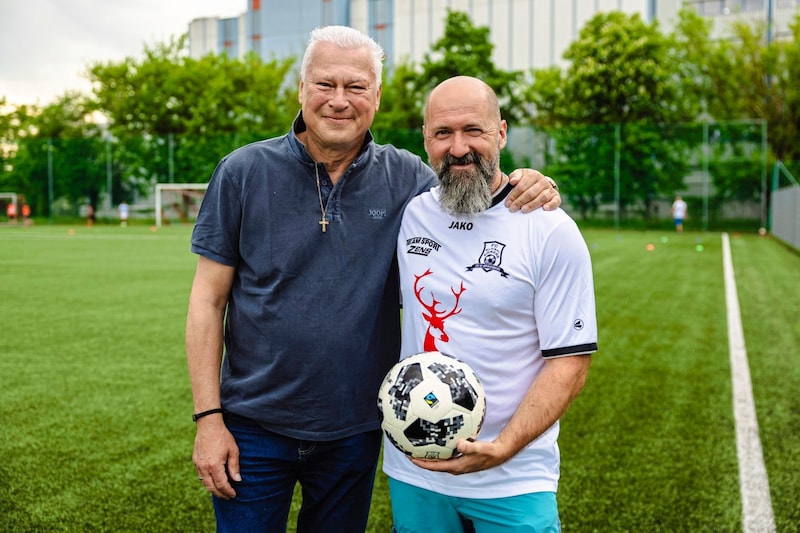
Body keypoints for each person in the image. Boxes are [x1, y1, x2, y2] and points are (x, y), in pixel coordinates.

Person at [186, 26, 560, 533]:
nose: (339, 100)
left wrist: (528, 181)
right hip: (252, 427)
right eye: (325, 84)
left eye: (356, 87)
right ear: (301, 89)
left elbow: (472, 180)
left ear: (376, 97)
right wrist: (209, 420)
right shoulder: (243, 171)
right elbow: (207, 302)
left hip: (356, 431)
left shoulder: (410, 180)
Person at [383, 76, 597, 532]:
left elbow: (571, 362)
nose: (458, 147)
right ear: (425, 139)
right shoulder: (411, 213)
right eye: (443, 133)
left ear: (501, 133)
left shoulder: (549, 229)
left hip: (514, 478)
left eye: (473, 131)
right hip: (415, 469)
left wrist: (504, 447)